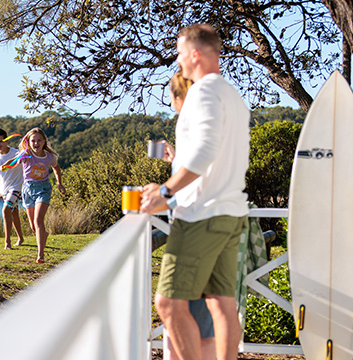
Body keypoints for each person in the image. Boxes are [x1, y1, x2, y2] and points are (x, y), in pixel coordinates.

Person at [141, 24, 250, 360]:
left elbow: (205, 151)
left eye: (178, 52)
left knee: (169, 304)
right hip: (231, 213)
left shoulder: (202, 91)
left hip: (202, 214)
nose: (178, 60)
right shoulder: (232, 95)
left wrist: (165, 191)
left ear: (195, 54)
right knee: (222, 304)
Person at [161, 71, 216, 360]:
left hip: (195, 233)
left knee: (174, 311)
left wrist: (160, 195)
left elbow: (196, 179)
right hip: (201, 231)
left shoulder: (196, 129)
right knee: (196, 319)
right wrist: (174, 159)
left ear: (178, 97)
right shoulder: (202, 129)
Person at [1, 127, 65, 263]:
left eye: (39, 140)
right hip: (27, 189)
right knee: (33, 226)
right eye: (33, 141)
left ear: (44, 142)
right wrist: (5, 166)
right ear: (28, 142)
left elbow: (56, 168)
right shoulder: (26, 154)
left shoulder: (49, 157)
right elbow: (14, 161)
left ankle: (40, 255)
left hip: (43, 189)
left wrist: (59, 183)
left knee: (38, 220)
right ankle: (43, 234)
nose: (36, 143)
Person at [0, 128, 26, 250]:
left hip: (17, 187)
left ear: (6, 141)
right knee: (14, 213)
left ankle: (7, 242)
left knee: (6, 210)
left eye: (0, 141)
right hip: (4, 190)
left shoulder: (16, 153)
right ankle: (21, 238)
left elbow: (25, 161)